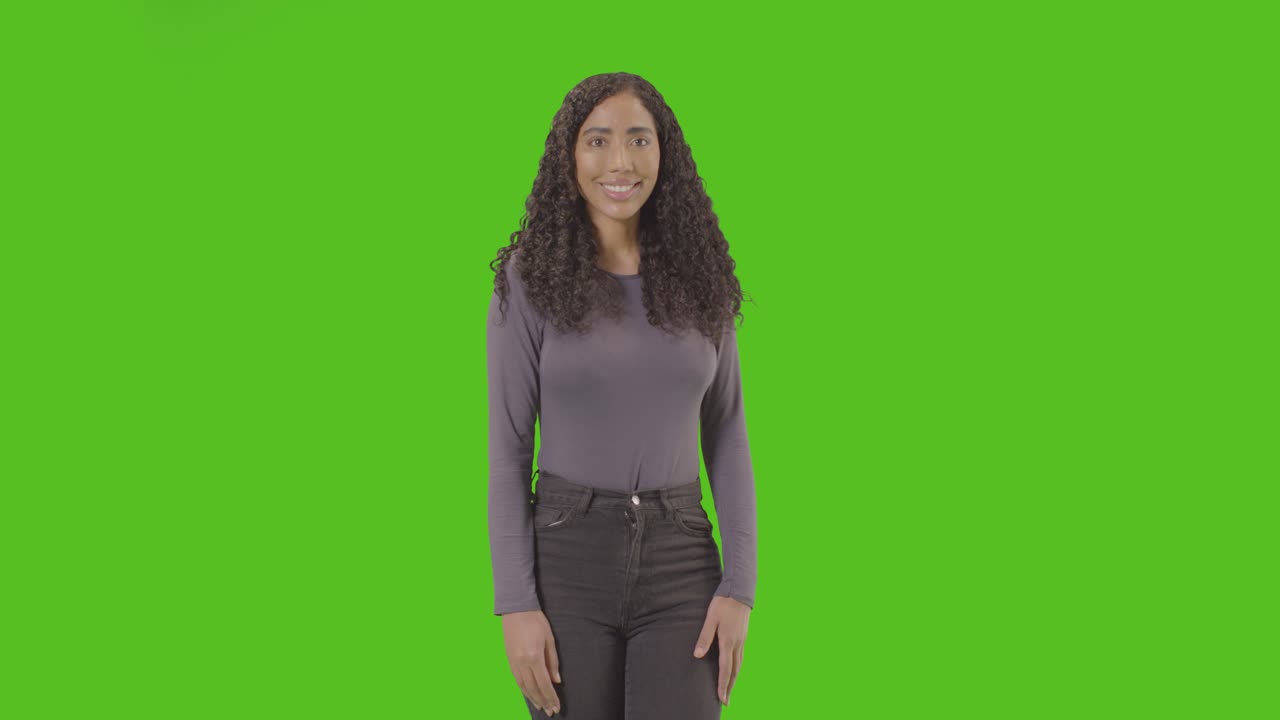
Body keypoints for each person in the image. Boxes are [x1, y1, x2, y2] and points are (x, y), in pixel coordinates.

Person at [486, 72, 757, 719]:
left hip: (680, 560)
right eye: (597, 141)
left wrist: (739, 586)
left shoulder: (701, 277)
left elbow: (727, 432)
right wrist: (516, 603)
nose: (620, 162)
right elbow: (508, 448)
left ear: (664, 154)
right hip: (566, 559)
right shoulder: (529, 281)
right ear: (569, 157)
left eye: (639, 140)